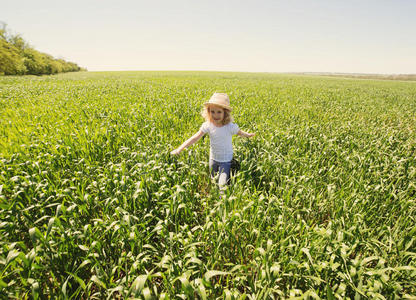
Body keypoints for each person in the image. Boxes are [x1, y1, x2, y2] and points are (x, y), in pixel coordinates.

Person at [170, 93, 255, 188]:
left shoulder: (230, 127)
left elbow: (240, 133)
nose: (215, 115)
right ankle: (213, 197)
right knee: (212, 179)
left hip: (225, 160)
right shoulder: (208, 125)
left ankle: (222, 200)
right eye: (212, 111)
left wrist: (248, 135)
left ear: (225, 113)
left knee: (222, 185)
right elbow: (194, 138)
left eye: (219, 112)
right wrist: (179, 149)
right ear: (208, 112)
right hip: (213, 159)